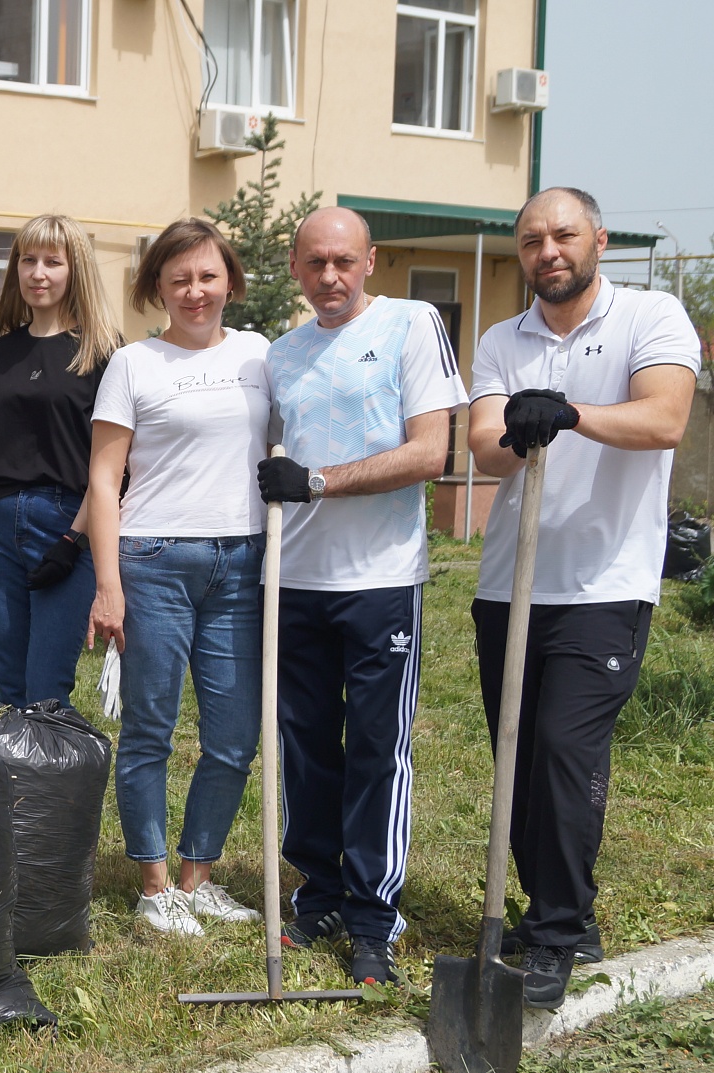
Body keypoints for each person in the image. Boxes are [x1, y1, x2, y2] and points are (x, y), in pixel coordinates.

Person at [468, 187, 700, 1010]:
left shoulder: (651, 317)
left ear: (596, 239)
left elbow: (664, 418)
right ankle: (562, 913)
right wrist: (514, 431)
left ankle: (557, 935)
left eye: (563, 235)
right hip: (511, 585)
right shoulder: (503, 338)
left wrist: (569, 412)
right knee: (521, 759)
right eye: (531, 240)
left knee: (566, 752)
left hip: (604, 584)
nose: (548, 252)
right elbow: (483, 448)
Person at [261, 207, 467, 986]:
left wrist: (315, 483)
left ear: (371, 260)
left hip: (380, 582)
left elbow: (429, 452)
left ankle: (374, 914)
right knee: (307, 750)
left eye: (344, 261)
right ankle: (319, 894)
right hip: (295, 582)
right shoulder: (282, 354)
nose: (331, 277)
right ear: (295, 268)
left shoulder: (414, 325)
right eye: (315, 263)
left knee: (378, 752)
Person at [86, 219, 270, 937]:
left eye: (208, 276)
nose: (195, 291)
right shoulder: (134, 364)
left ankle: (200, 876)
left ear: (230, 281)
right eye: (179, 279)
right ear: (157, 287)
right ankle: (155, 885)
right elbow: (104, 479)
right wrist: (109, 586)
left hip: (243, 561)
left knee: (233, 735)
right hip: (154, 559)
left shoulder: (260, 356)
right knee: (150, 730)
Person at [0, 213, 122, 709]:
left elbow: (115, 469)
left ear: (76, 271)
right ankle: (16, 788)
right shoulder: (4, 349)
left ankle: (53, 786)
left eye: (53, 262)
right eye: (28, 260)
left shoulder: (104, 351)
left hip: (66, 524)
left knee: (45, 690)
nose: (38, 273)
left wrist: (73, 541)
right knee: (9, 690)